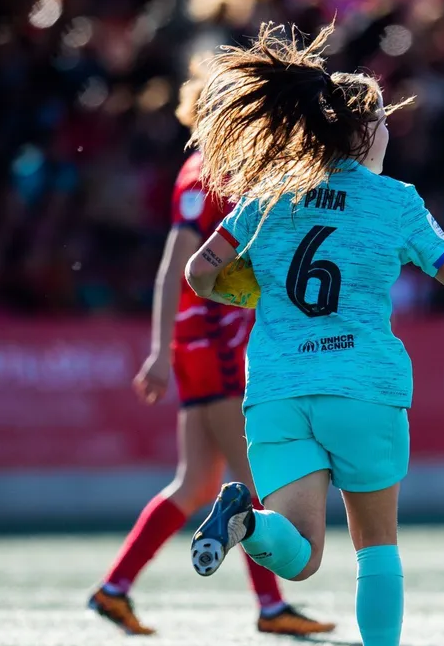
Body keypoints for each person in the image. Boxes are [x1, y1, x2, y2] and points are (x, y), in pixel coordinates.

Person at [179, 22, 444, 646]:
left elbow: (201, 273)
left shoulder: (266, 197)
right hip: (362, 385)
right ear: (360, 131)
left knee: (299, 555)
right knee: (376, 550)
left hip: (277, 389)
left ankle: (244, 523)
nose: (387, 128)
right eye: (381, 119)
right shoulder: (396, 201)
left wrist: (247, 290)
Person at [87, 57, 335, 638]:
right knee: (255, 477)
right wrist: (158, 348)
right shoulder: (204, 175)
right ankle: (272, 607)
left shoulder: (220, 171)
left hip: (198, 344)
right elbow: (175, 263)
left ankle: (114, 588)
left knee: (197, 482)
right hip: (211, 343)